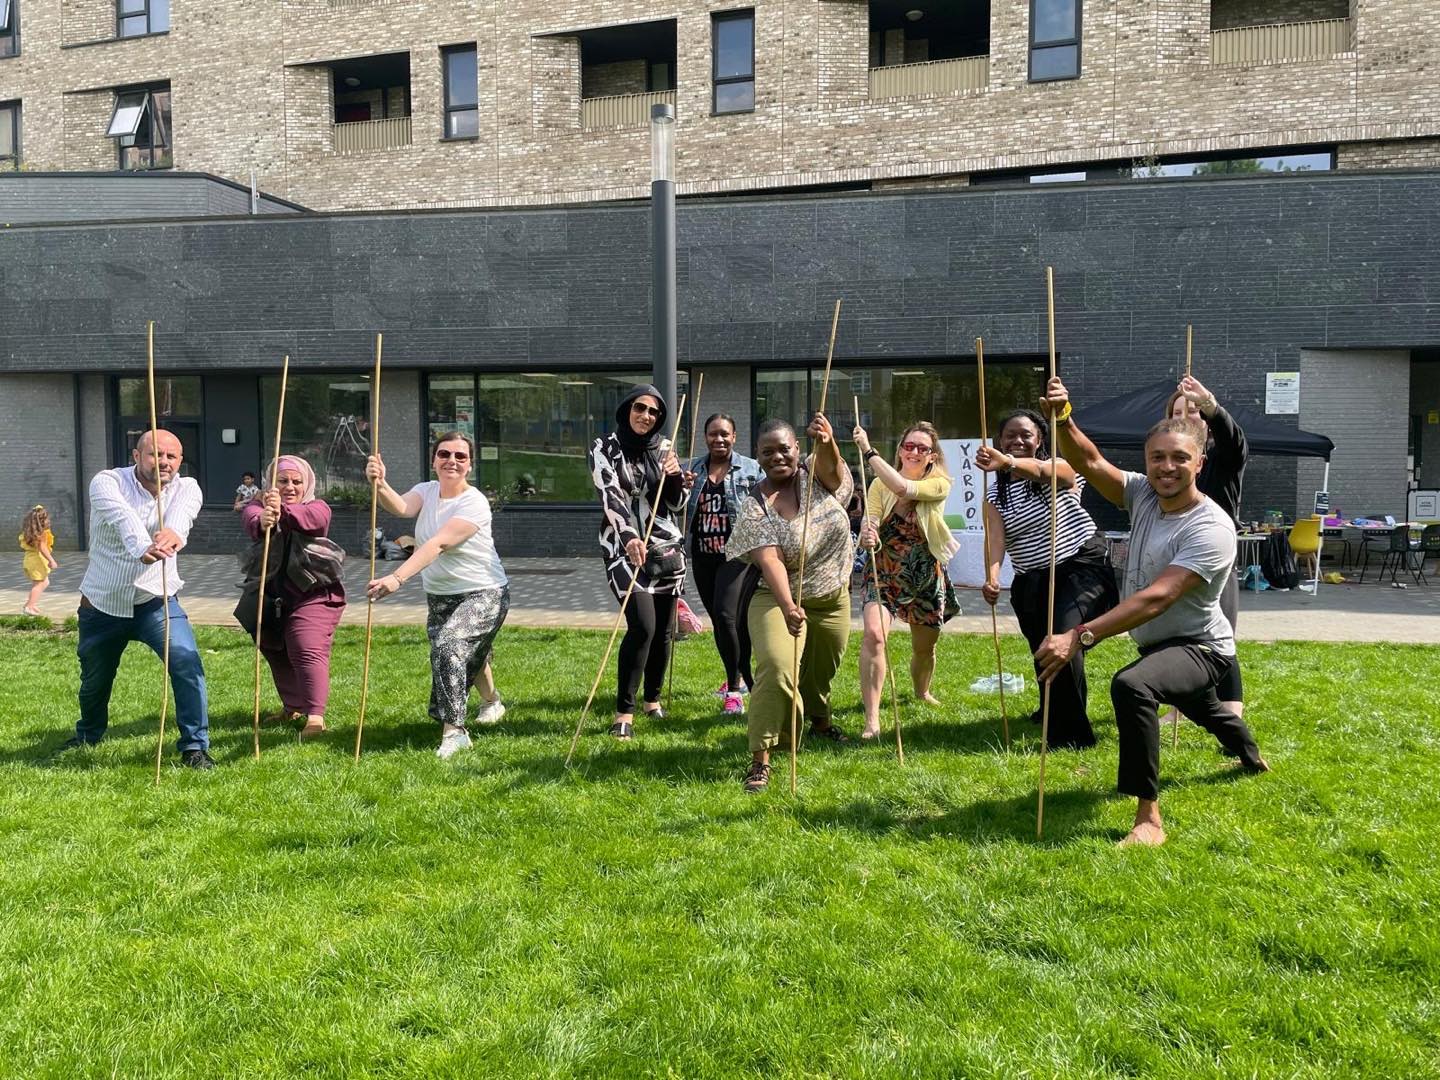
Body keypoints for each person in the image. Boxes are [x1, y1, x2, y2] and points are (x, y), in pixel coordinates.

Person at [1034, 378, 1269, 846]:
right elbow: (1088, 459)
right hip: (1160, 644)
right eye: (1158, 457)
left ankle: (1148, 819)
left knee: (1132, 685)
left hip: (1202, 647)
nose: (1167, 467)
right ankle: (1249, 752)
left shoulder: (1212, 527)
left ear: (1199, 463)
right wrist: (1062, 418)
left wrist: (1079, 635)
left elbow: (1158, 597)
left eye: (1180, 458)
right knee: (1208, 709)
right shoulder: (1141, 494)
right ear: (1147, 461)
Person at [65, 430, 212, 769]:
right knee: (94, 681)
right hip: (102, 605)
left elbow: (181, 519)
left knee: (187, 665)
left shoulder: (187, 487)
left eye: (171, 456)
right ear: (135, 456)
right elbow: (122, 518)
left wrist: (172, 535)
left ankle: (194, 748)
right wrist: (143, 547)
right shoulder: (106, 482)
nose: (164, 462)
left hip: (156, 601)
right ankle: (88, 735)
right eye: (155, 454)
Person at [976, 409, 1118, 749]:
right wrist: (992, 577)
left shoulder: (1060, 466)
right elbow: (995, 539)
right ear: (998, 441)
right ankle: (1052, 709)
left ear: (1040, 440)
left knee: (1062, 641)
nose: (1017, 440)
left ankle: (1071, 737)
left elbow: (1046, 472)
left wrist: (1008, 463)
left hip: (1080, 567)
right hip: (1031, 579)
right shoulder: (995, 494)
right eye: (1010, 435)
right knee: (1042, 647)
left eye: (1026, 434)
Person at [727, 414, 853, 793]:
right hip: (777, 598)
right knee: (777, 667)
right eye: (768, 452)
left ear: (798, 448)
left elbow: (834, 469)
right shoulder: (754, 504)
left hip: (831, 598)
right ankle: (761, 758)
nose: (778, 456)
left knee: (819, 671)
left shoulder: (817, 476)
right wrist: (788, 606)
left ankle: (820, 720)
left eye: (785, 448)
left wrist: (828, 441)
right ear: (758, 457)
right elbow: (770, 561)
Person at [365, 431, 510, 760]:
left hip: (483, 592)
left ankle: (454, 731)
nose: (452, 461)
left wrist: (397, 578)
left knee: (450, 647)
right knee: (470, 654)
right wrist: (380, 483)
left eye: (460, 456)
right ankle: (492, 702)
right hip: (440, 594)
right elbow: (401, 508)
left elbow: (438, 544)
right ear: (434, 460)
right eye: (444, 454)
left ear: (470, 465)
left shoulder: (473, 502)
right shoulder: (426, 491)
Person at [588, 384, 687, 741]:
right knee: (642, 626)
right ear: (627, 408)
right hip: (622, 547)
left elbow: (675, 505)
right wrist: (629, 536)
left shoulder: (663, 448)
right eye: (640, 408)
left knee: (662, 630)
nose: (646, 416)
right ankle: (623, 712)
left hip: (667, 547)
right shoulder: (604, 448)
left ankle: (653, 701)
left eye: (654, 412)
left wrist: (675, 474)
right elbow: (610, 495)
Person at [853, 421, 960, 739]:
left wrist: (867, 450)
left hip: (924, 574)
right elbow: (869, 519)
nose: (914, 452)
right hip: (883, 570)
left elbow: (904, 489)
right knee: (874, 636)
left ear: (932, 456)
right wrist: (866, 533)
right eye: (909, 446)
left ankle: (921, 691)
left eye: (922, 448)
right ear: (899, 450)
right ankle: (872, 720)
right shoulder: (877, 485)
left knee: (924, 649)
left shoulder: (940, 482)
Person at [238, 456, 346, 741]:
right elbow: (250, 518)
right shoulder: (259, 506)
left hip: (314, 594)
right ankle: (293, 706)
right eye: (281, 481)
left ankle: (315, 717)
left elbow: (314, 522)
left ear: (307, 483)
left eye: (296, 481)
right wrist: (263, 517)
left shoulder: (317, 506)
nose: (289, 486)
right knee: (274, 647)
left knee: (305, 645)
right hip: (272, 596)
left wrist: (282, 511)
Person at [1165, 375, 1248, 724]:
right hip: (1176, 558)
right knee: (1175, 632)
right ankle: (1178, 707)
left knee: (1219, 633)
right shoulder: (1168, 464)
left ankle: (1231, 711)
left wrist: (1209, 403)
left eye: (1194, 412)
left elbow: (1235, 442)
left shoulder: (1221, 459)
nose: (1186, 417)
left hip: (1215, 562)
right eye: (1178, 412)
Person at [683, 412, 763, 715]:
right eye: (713, 434)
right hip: (703, 556)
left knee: (726, 616)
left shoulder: (751, 469)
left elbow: (770, 500)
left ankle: (734, 690)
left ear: (734, 437)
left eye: (725, 434)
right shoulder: (693, 469)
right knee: (724, 622)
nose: (719, 439)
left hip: (738, 556)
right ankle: (742, 676)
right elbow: (673, 503)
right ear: (706, 437)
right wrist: (681, 486)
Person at [19, 504, 59, 616]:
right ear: (43, 520)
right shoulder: (42, 533)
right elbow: (42, 548)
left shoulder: (29, 532)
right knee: (40, 584)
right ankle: (29, 607)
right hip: (37, 560)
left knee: (42, 582)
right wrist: (51, 560)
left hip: (29, 559)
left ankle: (30, 604)